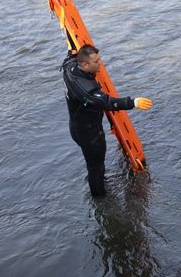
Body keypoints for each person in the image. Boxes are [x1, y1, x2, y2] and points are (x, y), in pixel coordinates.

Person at [62, 44, 153, 197]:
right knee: (96, 168)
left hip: (78, 125)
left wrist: (73, 49)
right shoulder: (86, 90)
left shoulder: (69, 67)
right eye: (96, 61)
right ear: (84, 64)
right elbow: (107, 103)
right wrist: (133, 102)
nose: (100, 64)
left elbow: (70, 57)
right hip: (88, 134)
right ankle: (100, 198)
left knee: (95, 165)